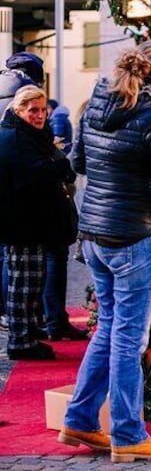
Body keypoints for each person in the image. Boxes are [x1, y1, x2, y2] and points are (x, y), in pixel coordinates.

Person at [60, 41, 151, 462]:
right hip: (135, 235)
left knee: (109, 328)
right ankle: (129, 434)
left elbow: (78, 163)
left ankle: (80, 418)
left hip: (96, 234)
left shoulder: (94, 105)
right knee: (129, 338)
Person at [0, 85, 76, 361]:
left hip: (29, 221)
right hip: (20, 224)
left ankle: (29, 332)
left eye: (43, 109)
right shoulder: (15, 138)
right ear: (19, 110)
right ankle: (21, 341)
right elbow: (38, 174)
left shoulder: (26, 134)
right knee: (23, 284)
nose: (39, 115)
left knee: (32, 282)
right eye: (33, 110)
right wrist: (61, 167)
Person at [0, 52, 45, 332]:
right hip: (16, 194)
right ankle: (17, 323)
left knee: (6, 255)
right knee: (19, 263)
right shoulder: (24, 95)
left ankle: (8, 315)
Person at [42, 98, 87, 341]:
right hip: (47, 211)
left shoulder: (40, 134)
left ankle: (54, 320)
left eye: (42, 110)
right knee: (52, 262)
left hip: (49, 210)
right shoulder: (34, 138)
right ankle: (54, 321)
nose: (40, 115)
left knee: (54, 262)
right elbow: (71, 166)